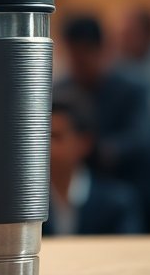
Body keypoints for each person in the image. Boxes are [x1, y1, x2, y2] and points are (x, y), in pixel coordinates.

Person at [53, 14, 150, 229]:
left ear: (102, 50)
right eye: (72, 58)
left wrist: (93, 148)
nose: (77, 67)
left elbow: (142, 139)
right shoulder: (61, 90)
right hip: (75, 179)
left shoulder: (133, 89)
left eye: (83, 58)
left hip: (126, 180)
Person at [44, 100, 143, 236]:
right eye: (39, 138)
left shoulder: (117, 203)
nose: (46, 146)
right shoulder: (25, 200)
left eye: (56, 137)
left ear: (84, 143)